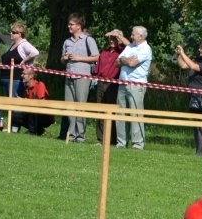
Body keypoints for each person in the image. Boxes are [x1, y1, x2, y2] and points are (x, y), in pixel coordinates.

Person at [61, 13, 99, 143]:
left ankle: (80, 136)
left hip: (83, 77)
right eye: (69, 24)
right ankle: (71, 135)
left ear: (79, 26)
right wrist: (64, 58)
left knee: (81, 105)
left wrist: (79, 58)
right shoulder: (67, 41)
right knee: (69, 106)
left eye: (71, 24)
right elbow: (62, 60)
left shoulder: (88, 40)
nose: (69, 26)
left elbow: (96, 57)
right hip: (69, 75)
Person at [176, 40, 202, 156]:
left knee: (201, 125)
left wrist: (183, 53)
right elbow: (184, 65)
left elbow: (193, 66)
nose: (199, 50)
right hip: (193, 95)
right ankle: (198, 152)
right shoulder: (199, 60)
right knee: (196, 124)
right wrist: (178, 54)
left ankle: (200, 153)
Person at [114, 26, 152, 150]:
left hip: (136, 86)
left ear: (141, 36)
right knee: (120, 114)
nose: (131, 36)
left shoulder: (146, 49)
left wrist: (124, 60)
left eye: (133, 34)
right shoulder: (129, 47)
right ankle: (121, 143)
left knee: (135, 115)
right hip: (122, 83)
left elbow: (132, 63)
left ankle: (137, 144)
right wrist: (126, 59)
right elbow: (116, 62)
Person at [95, 31, 124, 144]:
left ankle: (113, 139)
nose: (112, 41)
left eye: (114, 38)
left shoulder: (122, 52)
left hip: (113, 84)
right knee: (100, 112)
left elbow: (128, 47)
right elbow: (97, 69)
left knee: (113, 112)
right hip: (101, 83)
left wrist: (119, 37)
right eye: (110, 38)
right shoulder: (104, 52)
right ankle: (101, 139)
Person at [0, 22, 39, 99]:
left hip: (16, 79)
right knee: (7, 105)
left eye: (14, 32)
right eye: (11, 32)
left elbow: (35, 52)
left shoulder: (24, 44)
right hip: (6, 78)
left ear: (20, 34)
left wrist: (24, 60)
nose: (11, 33)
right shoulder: (12, 44)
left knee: (14, 106)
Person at [11, 68, 54, 136]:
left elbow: (41, 103)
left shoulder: (40, 85)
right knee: (16, 115)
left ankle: (32, 132)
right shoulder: (27, 90)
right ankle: (38, 130)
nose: (22, 75)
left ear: (31, 76)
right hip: (33, 113)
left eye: (24, 74)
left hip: (45, 116)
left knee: (32, 110)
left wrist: (25, 101)